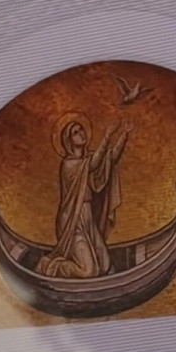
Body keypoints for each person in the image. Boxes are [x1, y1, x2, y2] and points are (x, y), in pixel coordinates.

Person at [36, 118, 129, 279]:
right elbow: (93, 164)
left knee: (105, 265)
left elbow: (111, 158)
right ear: (68, 141)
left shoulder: (86, 159)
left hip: (87, 218)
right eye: (75, 133)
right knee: (88, 271)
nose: (81, 134)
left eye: (81, 130)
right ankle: (50, 266)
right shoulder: (69, 165)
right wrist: (106, 137)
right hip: (72, 221)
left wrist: (124, 135)